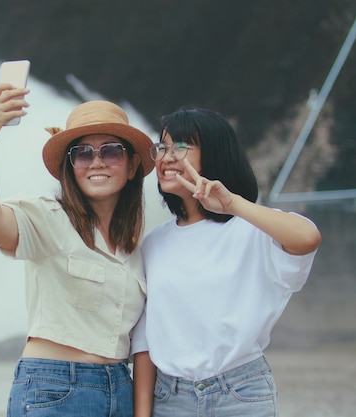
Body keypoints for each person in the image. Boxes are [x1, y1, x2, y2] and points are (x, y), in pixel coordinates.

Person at [0, 82, 157, 417]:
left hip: (120, 387)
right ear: (70, 167)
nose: (96, 161)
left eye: (111, 151)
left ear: (131, 166)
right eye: (83, 153)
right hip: (56, 387)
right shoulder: (48, 215)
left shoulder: (135, 247)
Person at [131, 106, 322, 417]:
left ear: (215, 153)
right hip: (170, 397)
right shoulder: (154, 243)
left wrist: (232, 203)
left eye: (180, 146)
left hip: (240, 392)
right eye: (162, 147)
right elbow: (146, 342)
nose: (165, 158)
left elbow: (308, 237)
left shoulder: (253, 230)